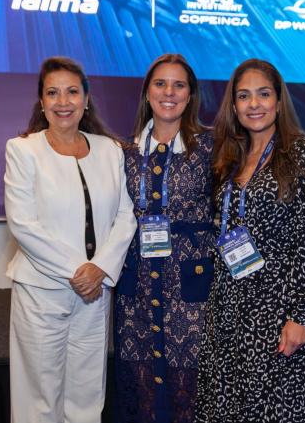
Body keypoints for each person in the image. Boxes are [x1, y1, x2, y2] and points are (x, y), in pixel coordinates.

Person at [195, 59, 305, 422]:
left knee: (276, 408)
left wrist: (301, 315)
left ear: (279, 101)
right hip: (228, 304)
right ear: (233, 105)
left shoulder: (301, 153)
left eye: (263, 94)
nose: (254, 104)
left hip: (276, 307)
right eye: (244, 96)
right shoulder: (230, 156)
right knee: (228, 404)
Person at [4, 56, 136, 423]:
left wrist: (100, 269)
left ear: (86, 99)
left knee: (86, 395)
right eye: (53, 93)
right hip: (42, 291)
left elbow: (126, 216)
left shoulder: (110, 150)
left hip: (95, 291)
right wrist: (80, 271)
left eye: (72, 92)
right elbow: (23, 224)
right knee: (39, 398)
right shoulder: (23, 150)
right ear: (41, 101)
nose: (63, 102)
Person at [113, 54, 215, 423]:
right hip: (137, 289)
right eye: (160, 83)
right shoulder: (124, 152)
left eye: (178, 85)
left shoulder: (213, 147)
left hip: (190, 290)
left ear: (191, 95)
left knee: (191, 386)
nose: (168, 92)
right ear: (147, 92)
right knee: (140, 386)